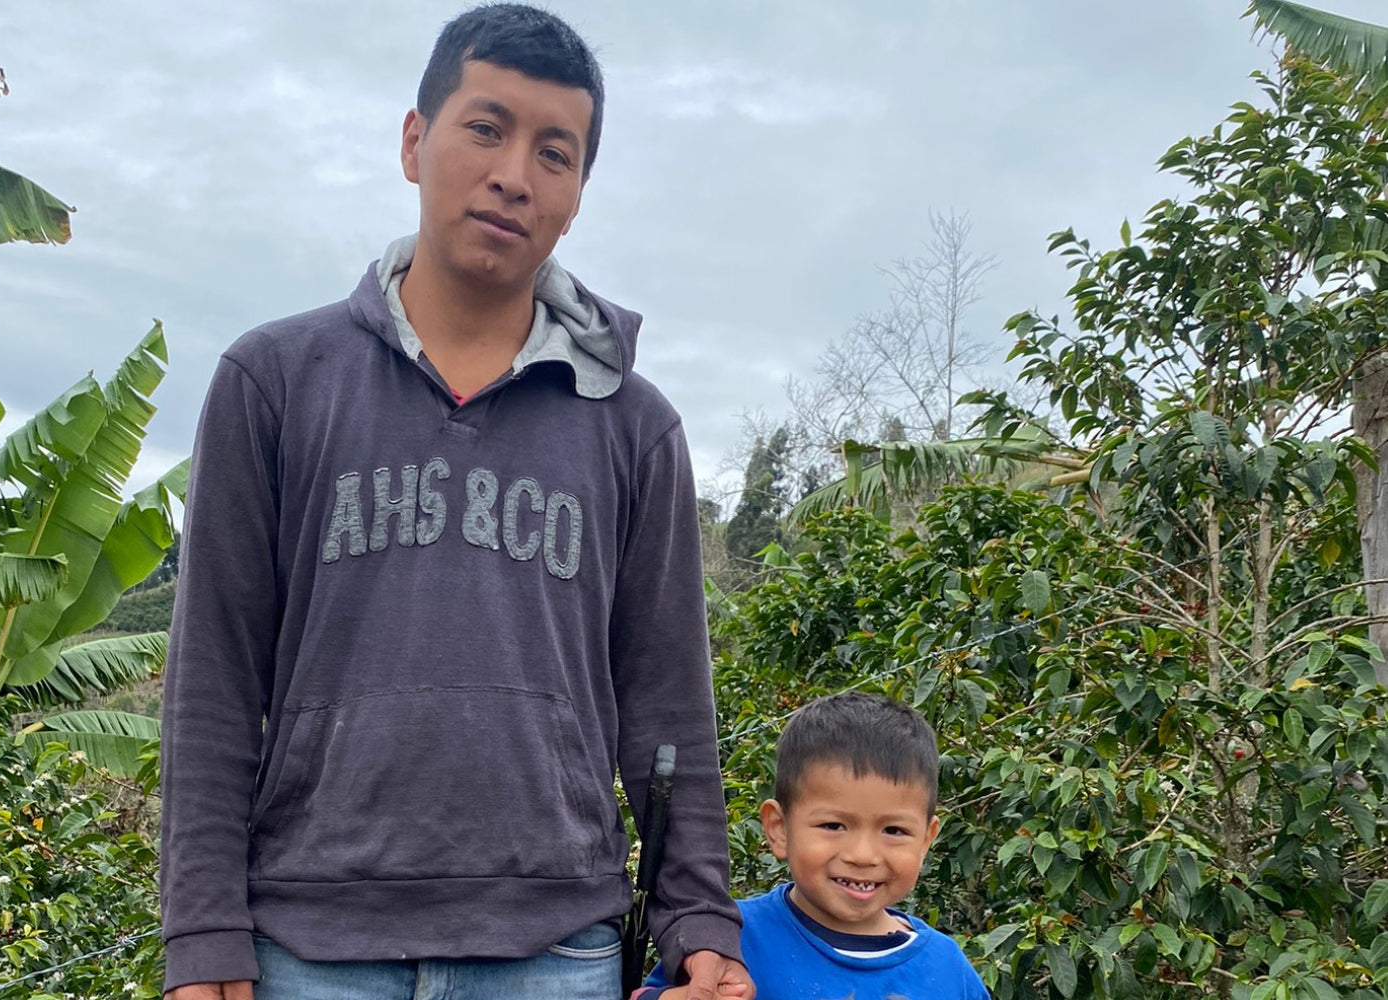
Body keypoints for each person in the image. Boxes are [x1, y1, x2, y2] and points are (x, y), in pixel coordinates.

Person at [158, 6, 751, 999]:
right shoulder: (274, 383)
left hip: (555, 949)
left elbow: (667, 700)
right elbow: (214, 682)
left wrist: (698, 915)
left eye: (553, 152)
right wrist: (203, 931)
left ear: (576, 195)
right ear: (413, 142)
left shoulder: (633, 427)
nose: (514, 172)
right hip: (306, 947)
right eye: (485, 127)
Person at [638, 692, 989, 1000]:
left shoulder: (949, 970)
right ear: (779, 829)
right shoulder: (728, 938)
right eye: (833, 825)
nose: (863, 855)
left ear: (927, 840)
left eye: (894, 830)